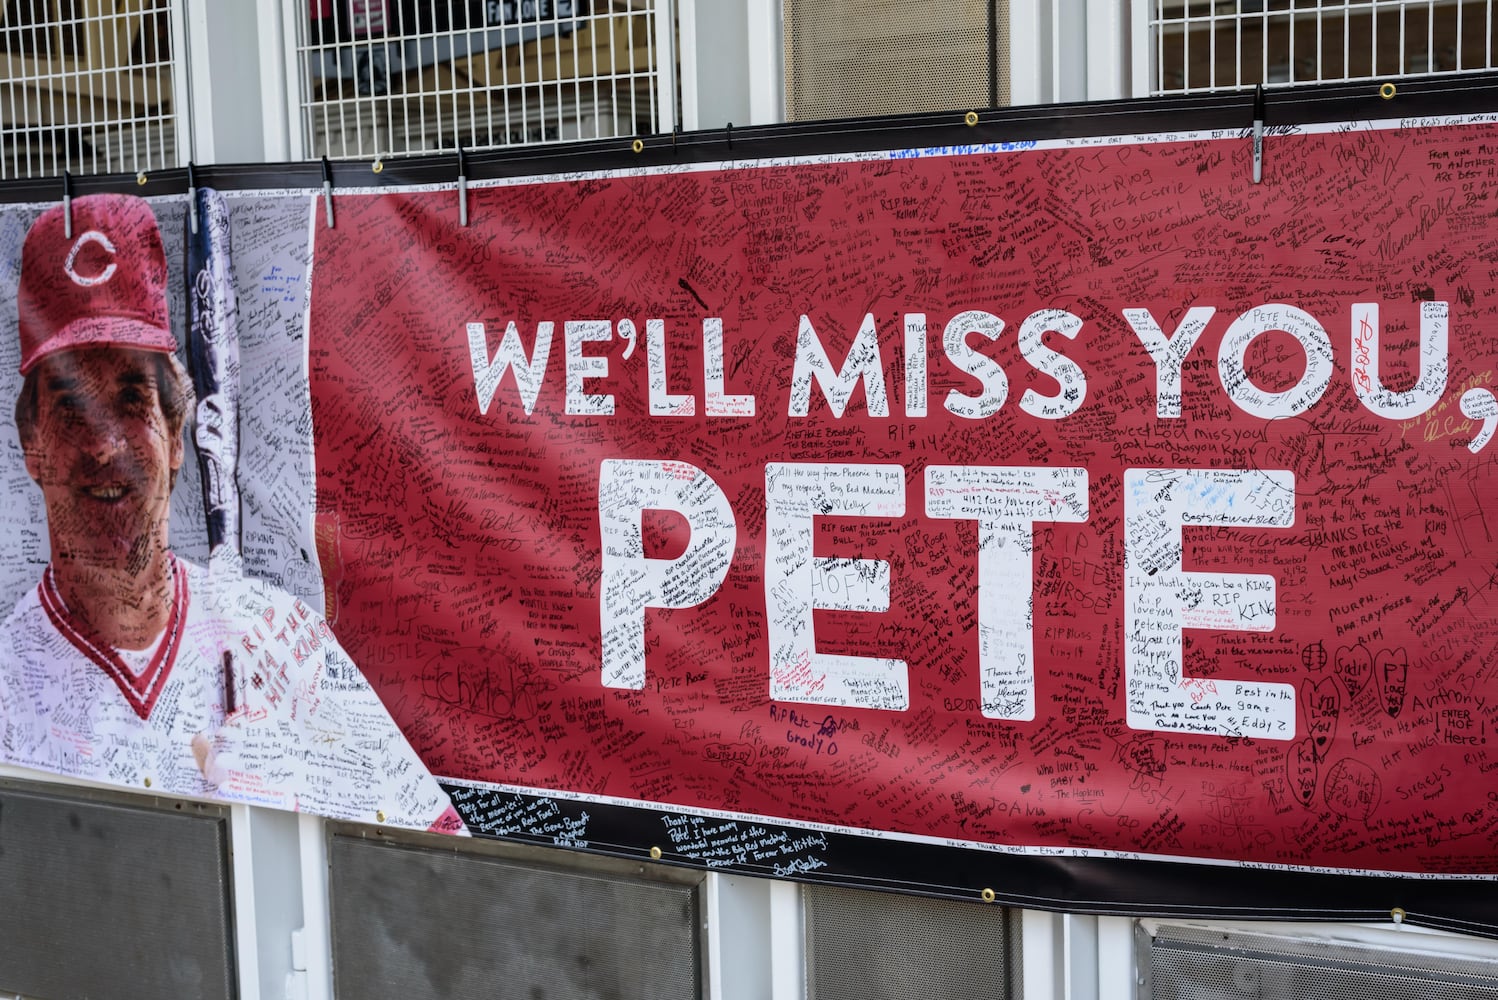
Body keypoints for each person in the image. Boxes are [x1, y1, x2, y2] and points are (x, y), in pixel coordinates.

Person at [0, 193, 464, 833]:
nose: (104, 444)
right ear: (30, 440)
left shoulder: (278, 637)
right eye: (73, 407)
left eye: (132, 399)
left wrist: (291, 777)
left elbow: (434, 848)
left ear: (176, 432)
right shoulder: (6, 680)